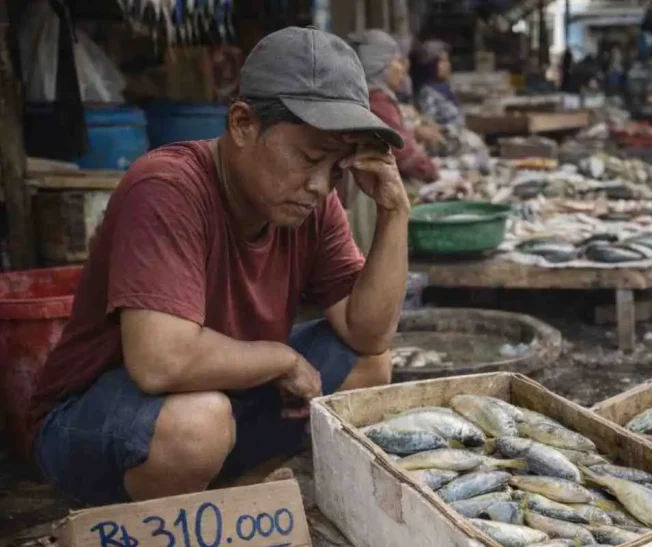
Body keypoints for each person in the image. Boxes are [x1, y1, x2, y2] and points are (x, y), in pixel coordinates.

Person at [29, 27, 410, 506]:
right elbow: (160, 363)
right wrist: (283, 359)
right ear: (243, 124)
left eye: (336, 168)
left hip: (223, 397)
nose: (320, 185)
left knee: (369, 364)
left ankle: (235, 491)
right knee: (196, 424)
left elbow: (369, 335)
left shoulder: (312, 201)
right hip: (92, 421)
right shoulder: (167, 188)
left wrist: (396, 212)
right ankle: (136, 524)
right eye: (309, 158)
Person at [346, 29, 439, 252]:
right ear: (381, 65)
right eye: (396, 61)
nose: (402, 68)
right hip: (365, 198)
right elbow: (405, 154)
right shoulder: (376, 100)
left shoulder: (371, 97)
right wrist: (434, 172)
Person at [411, 40, 464, 127]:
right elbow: (430, 124)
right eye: (442, 61)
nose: (448, 65)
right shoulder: (426, 93)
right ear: (431, 65)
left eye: (447, 61)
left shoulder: (446, 88)